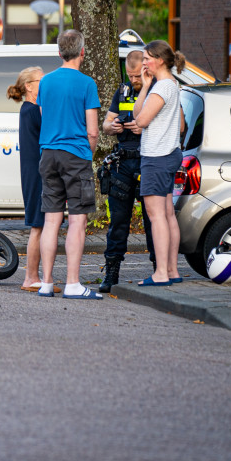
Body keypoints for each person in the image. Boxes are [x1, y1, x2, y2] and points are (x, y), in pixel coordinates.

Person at [36, 29, 102, 300]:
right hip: (75, 155)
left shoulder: (46, 82)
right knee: (77, 220)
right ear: (82, 52)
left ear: (59, 52)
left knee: (51, 220)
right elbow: (93, 131)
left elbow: (43, 115)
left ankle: (47, 283)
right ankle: (73, 283)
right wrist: (89, 154)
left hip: (48, 153)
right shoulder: (87, 84)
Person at [124, 39, 186, 286]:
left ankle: (160, 273)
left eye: (148, 58)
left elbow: (141, 119)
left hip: (157, 156)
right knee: (168, 213)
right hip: (168, 153)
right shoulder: (169, 85)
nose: (144, 62)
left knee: (156, 214)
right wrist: (145, 86)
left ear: (159, 60)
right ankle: (172, 270)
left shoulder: (163, 88)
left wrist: (148, 93)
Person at [97, 50, 154, 292]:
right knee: (118, 221)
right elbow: (105, 125)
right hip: (122, 163)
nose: (133, 81)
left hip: (148, 160)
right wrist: (114, 126)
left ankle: (158, 269)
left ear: (145, 68)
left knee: (153, 220)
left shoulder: (156, 90)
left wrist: (144, 127)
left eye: (136, 76)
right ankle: (111, 273)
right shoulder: (122, 92)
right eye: (130, 76)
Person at [7, 66, 45, 291]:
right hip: (37, 172)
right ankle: (31, 277)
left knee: (40, 226)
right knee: (38, 226)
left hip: (36, 170)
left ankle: (35, 276)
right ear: (29, 86)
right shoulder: (31, 110)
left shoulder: (30, 108)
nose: (46, 83)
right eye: (41, 80)